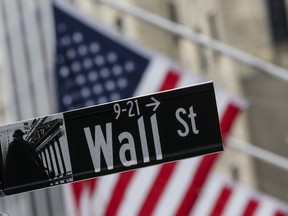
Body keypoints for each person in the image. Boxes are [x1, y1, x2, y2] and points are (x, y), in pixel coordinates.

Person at [4, 129, 50, 194]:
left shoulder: (12, 145)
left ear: (15, 136)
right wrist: (42, 167)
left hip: (20, 177)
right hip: (31, 175)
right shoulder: (27, 144)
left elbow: (9, 163)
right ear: (21, 136)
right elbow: (36, 158)